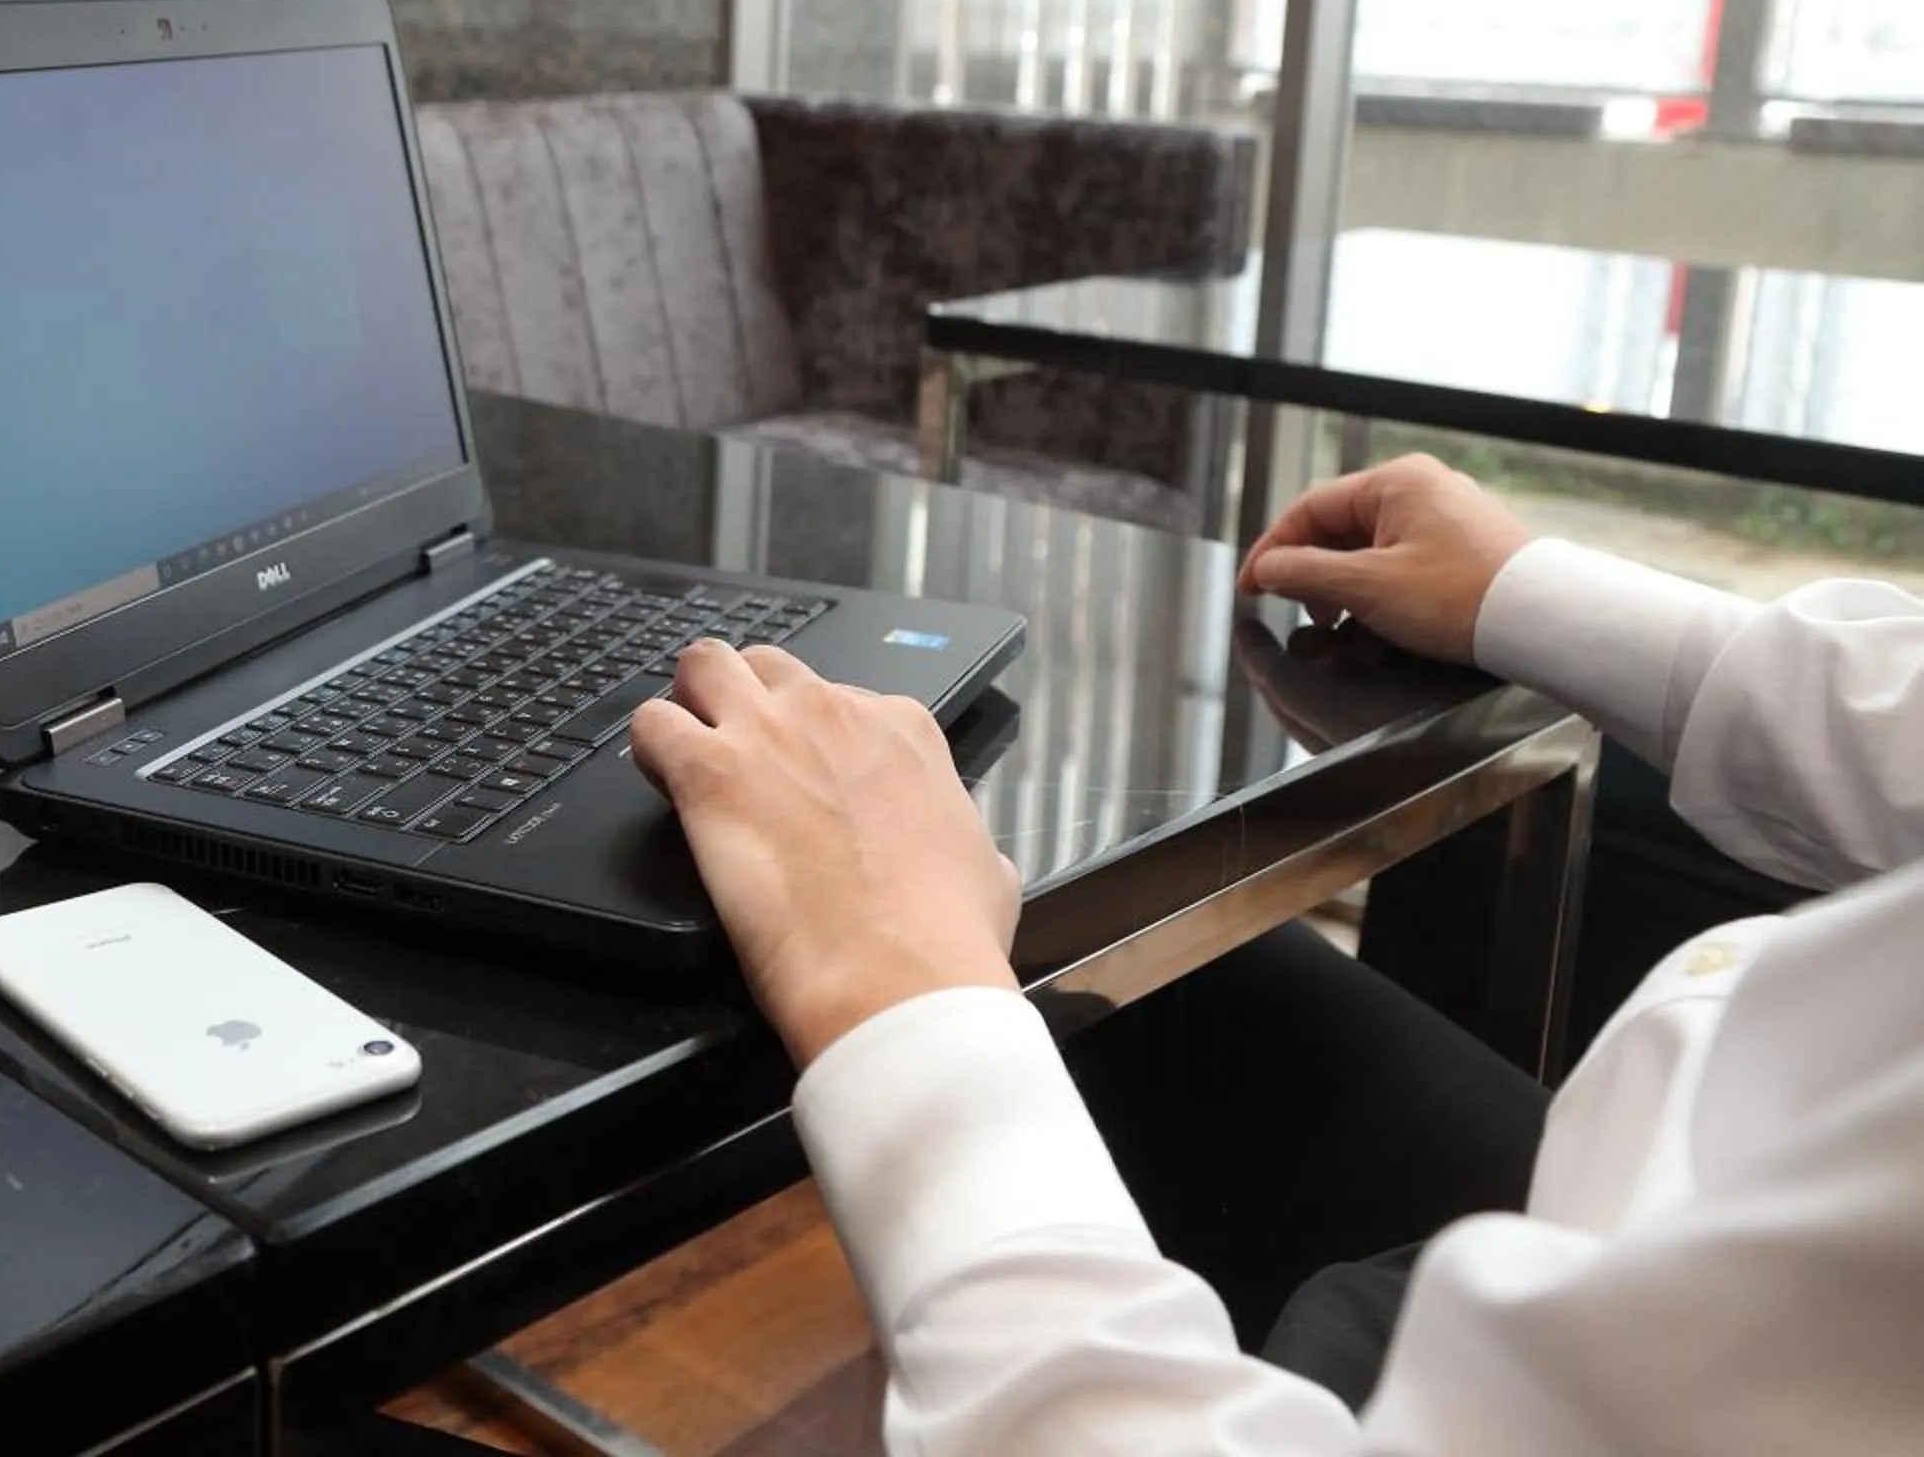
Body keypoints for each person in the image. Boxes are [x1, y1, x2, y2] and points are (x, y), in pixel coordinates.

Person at [627, 453, 1924, 1452]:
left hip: (1651, 1327)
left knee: (1033, 981)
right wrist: (1537, 596)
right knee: (1150, 982)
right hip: (1678, 1198)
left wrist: (903, 1001)